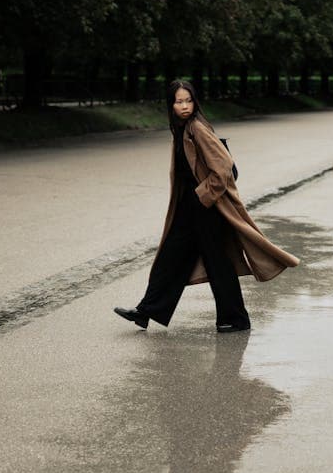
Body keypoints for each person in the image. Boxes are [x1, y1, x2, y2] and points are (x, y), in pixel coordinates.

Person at [114, 80, 299, 332]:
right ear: (171, 105)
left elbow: (223, 167)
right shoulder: (181, 129)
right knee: (172, 257)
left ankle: (236, 319)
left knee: (216, 261)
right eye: (179, 101)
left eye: (188, 100)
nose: (184, 106)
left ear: (195, 102)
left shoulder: (197, 128)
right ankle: (148, 310)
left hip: (206, 207)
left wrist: (204, 197)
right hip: (190, 206)